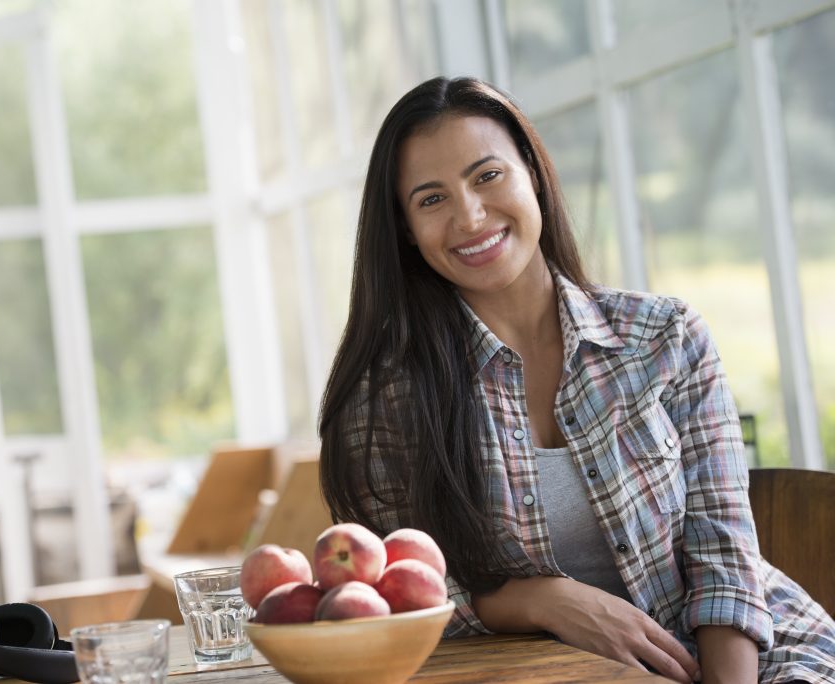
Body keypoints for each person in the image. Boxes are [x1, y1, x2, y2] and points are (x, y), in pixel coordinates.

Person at [318, 76, 835, 683]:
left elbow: (725, 556)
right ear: (406, 228)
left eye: (487, 176)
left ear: (532, 173)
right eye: (432, 199)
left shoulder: (663, 338)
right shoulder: (384, 404)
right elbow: (403, 596)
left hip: (760, 659)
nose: (470, 215)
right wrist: (544, 599)